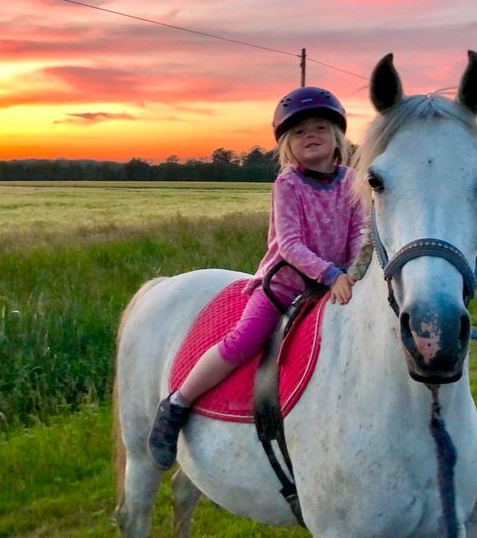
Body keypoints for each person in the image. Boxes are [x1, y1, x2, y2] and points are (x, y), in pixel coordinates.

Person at [148, 86, 367, 470]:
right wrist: (331, 273)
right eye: (298, 132)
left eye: (320, 127)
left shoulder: (351, 181)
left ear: (338, 138)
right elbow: (291, 246)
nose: (310, 136)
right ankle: (178, 403)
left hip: (336, 286)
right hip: (286, 285)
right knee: (243, 340)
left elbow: (359, 233)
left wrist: (353, 272)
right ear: (286, 146)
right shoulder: (289, 185)